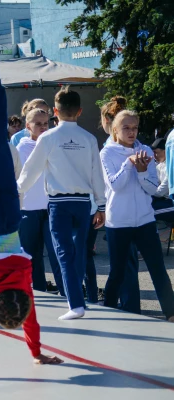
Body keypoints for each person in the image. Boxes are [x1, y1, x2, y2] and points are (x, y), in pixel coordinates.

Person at [0, 37, 62, 383]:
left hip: (8, 215)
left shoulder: (22, 286)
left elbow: (31, 319)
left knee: (0, 143)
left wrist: (38, 351)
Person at [18, 85, 106, 320]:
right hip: (83, 203)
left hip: (59, 203)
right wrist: (101, 204)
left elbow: (30, 171)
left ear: (54, 111)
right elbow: (97, 173)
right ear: (79, 111)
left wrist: (17, 193)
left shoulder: (48, 137)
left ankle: (75, 304)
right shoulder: (88, 138)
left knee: (64, 253)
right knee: (78, 253)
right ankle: (77, 300)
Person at [100, 110, 174, 322]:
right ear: (115, 130)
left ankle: (171, 313)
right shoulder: (107, 153)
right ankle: (108, 310)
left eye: (135, 128)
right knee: (117, 273)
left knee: (158, 269)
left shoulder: (145, 151)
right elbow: (115, 185)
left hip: (144, 220)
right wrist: (129, 163)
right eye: (126, 128)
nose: (132, 132)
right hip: (118, 222)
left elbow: (152, 189)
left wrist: (142, 172)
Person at [17, 109, 64, 295]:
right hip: (28, 209)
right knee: (31, 255)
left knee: (56, 253)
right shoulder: (21, 148)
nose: (43, 127)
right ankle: (37, 291)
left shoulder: (54, 144)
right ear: (28, 126)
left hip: (51, 207)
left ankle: (65, 292)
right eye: (38, 124)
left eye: (46, 123)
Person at [99, 96, 139, 311]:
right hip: (126, 213)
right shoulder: (112, 148)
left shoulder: (112, 147)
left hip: (121, 214)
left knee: (123, 266)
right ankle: (126, 306)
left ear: (107, 120)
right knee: (125, 266)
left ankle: (127, 308)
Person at [150, 138, 174, 220]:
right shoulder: (159, 166)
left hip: (171, 201)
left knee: (148, 212)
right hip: (165, 199)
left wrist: (148, 191)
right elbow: (154, 184)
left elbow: (160, 192)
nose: (154, 156)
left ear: (164, 151)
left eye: (156, 153)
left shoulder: (171, 166)